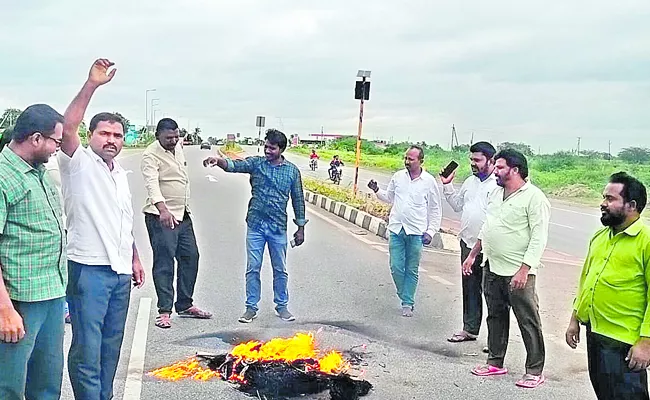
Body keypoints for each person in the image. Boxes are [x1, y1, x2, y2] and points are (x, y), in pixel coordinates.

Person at [59, 58, 145, 400]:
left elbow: (123, 220)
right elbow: (67, 128)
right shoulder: (76, 163)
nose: (111, 140)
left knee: (111, 348)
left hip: (120, 273)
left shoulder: (119, 173)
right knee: (87, 349)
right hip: (88, 269)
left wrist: (135, 257)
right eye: (104, 133)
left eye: (117, 135)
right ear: (91, 135)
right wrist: (91, 84)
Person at [463, 149, 550, 389]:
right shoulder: (495, 193)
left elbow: (538, 238)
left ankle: (534, 370)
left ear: (515, 170)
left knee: (528, 321)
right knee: (496, 317)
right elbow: (487, 227)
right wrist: (473, 255)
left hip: (518, 272)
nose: (496, 171)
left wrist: (524, 270)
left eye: (500, 167)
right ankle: (495, 362)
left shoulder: (534, 198)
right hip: (492, 266)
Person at [203, 129, 307, 323]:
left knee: (280, 269)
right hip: (256, 225)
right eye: (266, 146)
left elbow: (298, 200)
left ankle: (282, 306)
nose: (267, 151)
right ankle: (251, 308)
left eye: (272, 148)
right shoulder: (257, 164)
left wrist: (300, 227)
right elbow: (235, 165)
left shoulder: (292, 171)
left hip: (278, 228)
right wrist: (218, 161)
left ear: (281, 149)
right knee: (253, 267)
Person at [0, 104, 67, 400]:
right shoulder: (4, 177)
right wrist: (4, 310)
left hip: (51, 293)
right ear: (36, 139)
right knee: (9, 385)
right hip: (19, 301)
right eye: (56, 141)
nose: (57, 148)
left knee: (47, 382)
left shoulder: (39, 172)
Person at [566, 172, 650, 399]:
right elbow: (587, 279)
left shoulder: (646, 240)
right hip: (595, 333)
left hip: (625, 342)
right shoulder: (600, 236)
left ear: (632, 205)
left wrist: (646, 342)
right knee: (604, 393)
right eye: (604, 197)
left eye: (610, 199)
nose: (602, 204)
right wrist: (575, 318)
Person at [141, 117, 212, 329]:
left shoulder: (178, 147)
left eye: (176, 136)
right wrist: (163, 210)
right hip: (161, 216)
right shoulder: (150, 156)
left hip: (183, 215)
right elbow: (152, 185)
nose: (173, 141)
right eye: (168, 138)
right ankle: (164, 311)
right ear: (158, 136)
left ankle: (185, 304)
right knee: (164, 263)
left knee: (191, 257)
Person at [368, 145, 442, 317]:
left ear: (421, 161)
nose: (407, 162)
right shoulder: (398, 177)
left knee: (412, 269)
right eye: (406, 158)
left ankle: (407, 302)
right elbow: (389, 198)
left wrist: (431, 231)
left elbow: (435, 209)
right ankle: (404, 294)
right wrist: (377, 190)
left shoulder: (429, 182)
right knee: (396, 267)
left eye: (411, 159)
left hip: (416, 232)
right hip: (396, 229)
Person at [440, 141, 497, 343]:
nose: (473, 164)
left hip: (489, 248)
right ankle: (470, 329)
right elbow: (457, 205)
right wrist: (447, 186)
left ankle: (495, 340)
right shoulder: (470, 182)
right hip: (467, 243)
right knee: (470, 288)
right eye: (471, 159)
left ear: (491, 160)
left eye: (477, 160)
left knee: (492, 295)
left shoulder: (497, 186)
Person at [44, 154, 72, 324]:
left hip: (61, 223)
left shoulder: (50, 165)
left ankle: (64, 307)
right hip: (61, 223)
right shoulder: (53, 165)